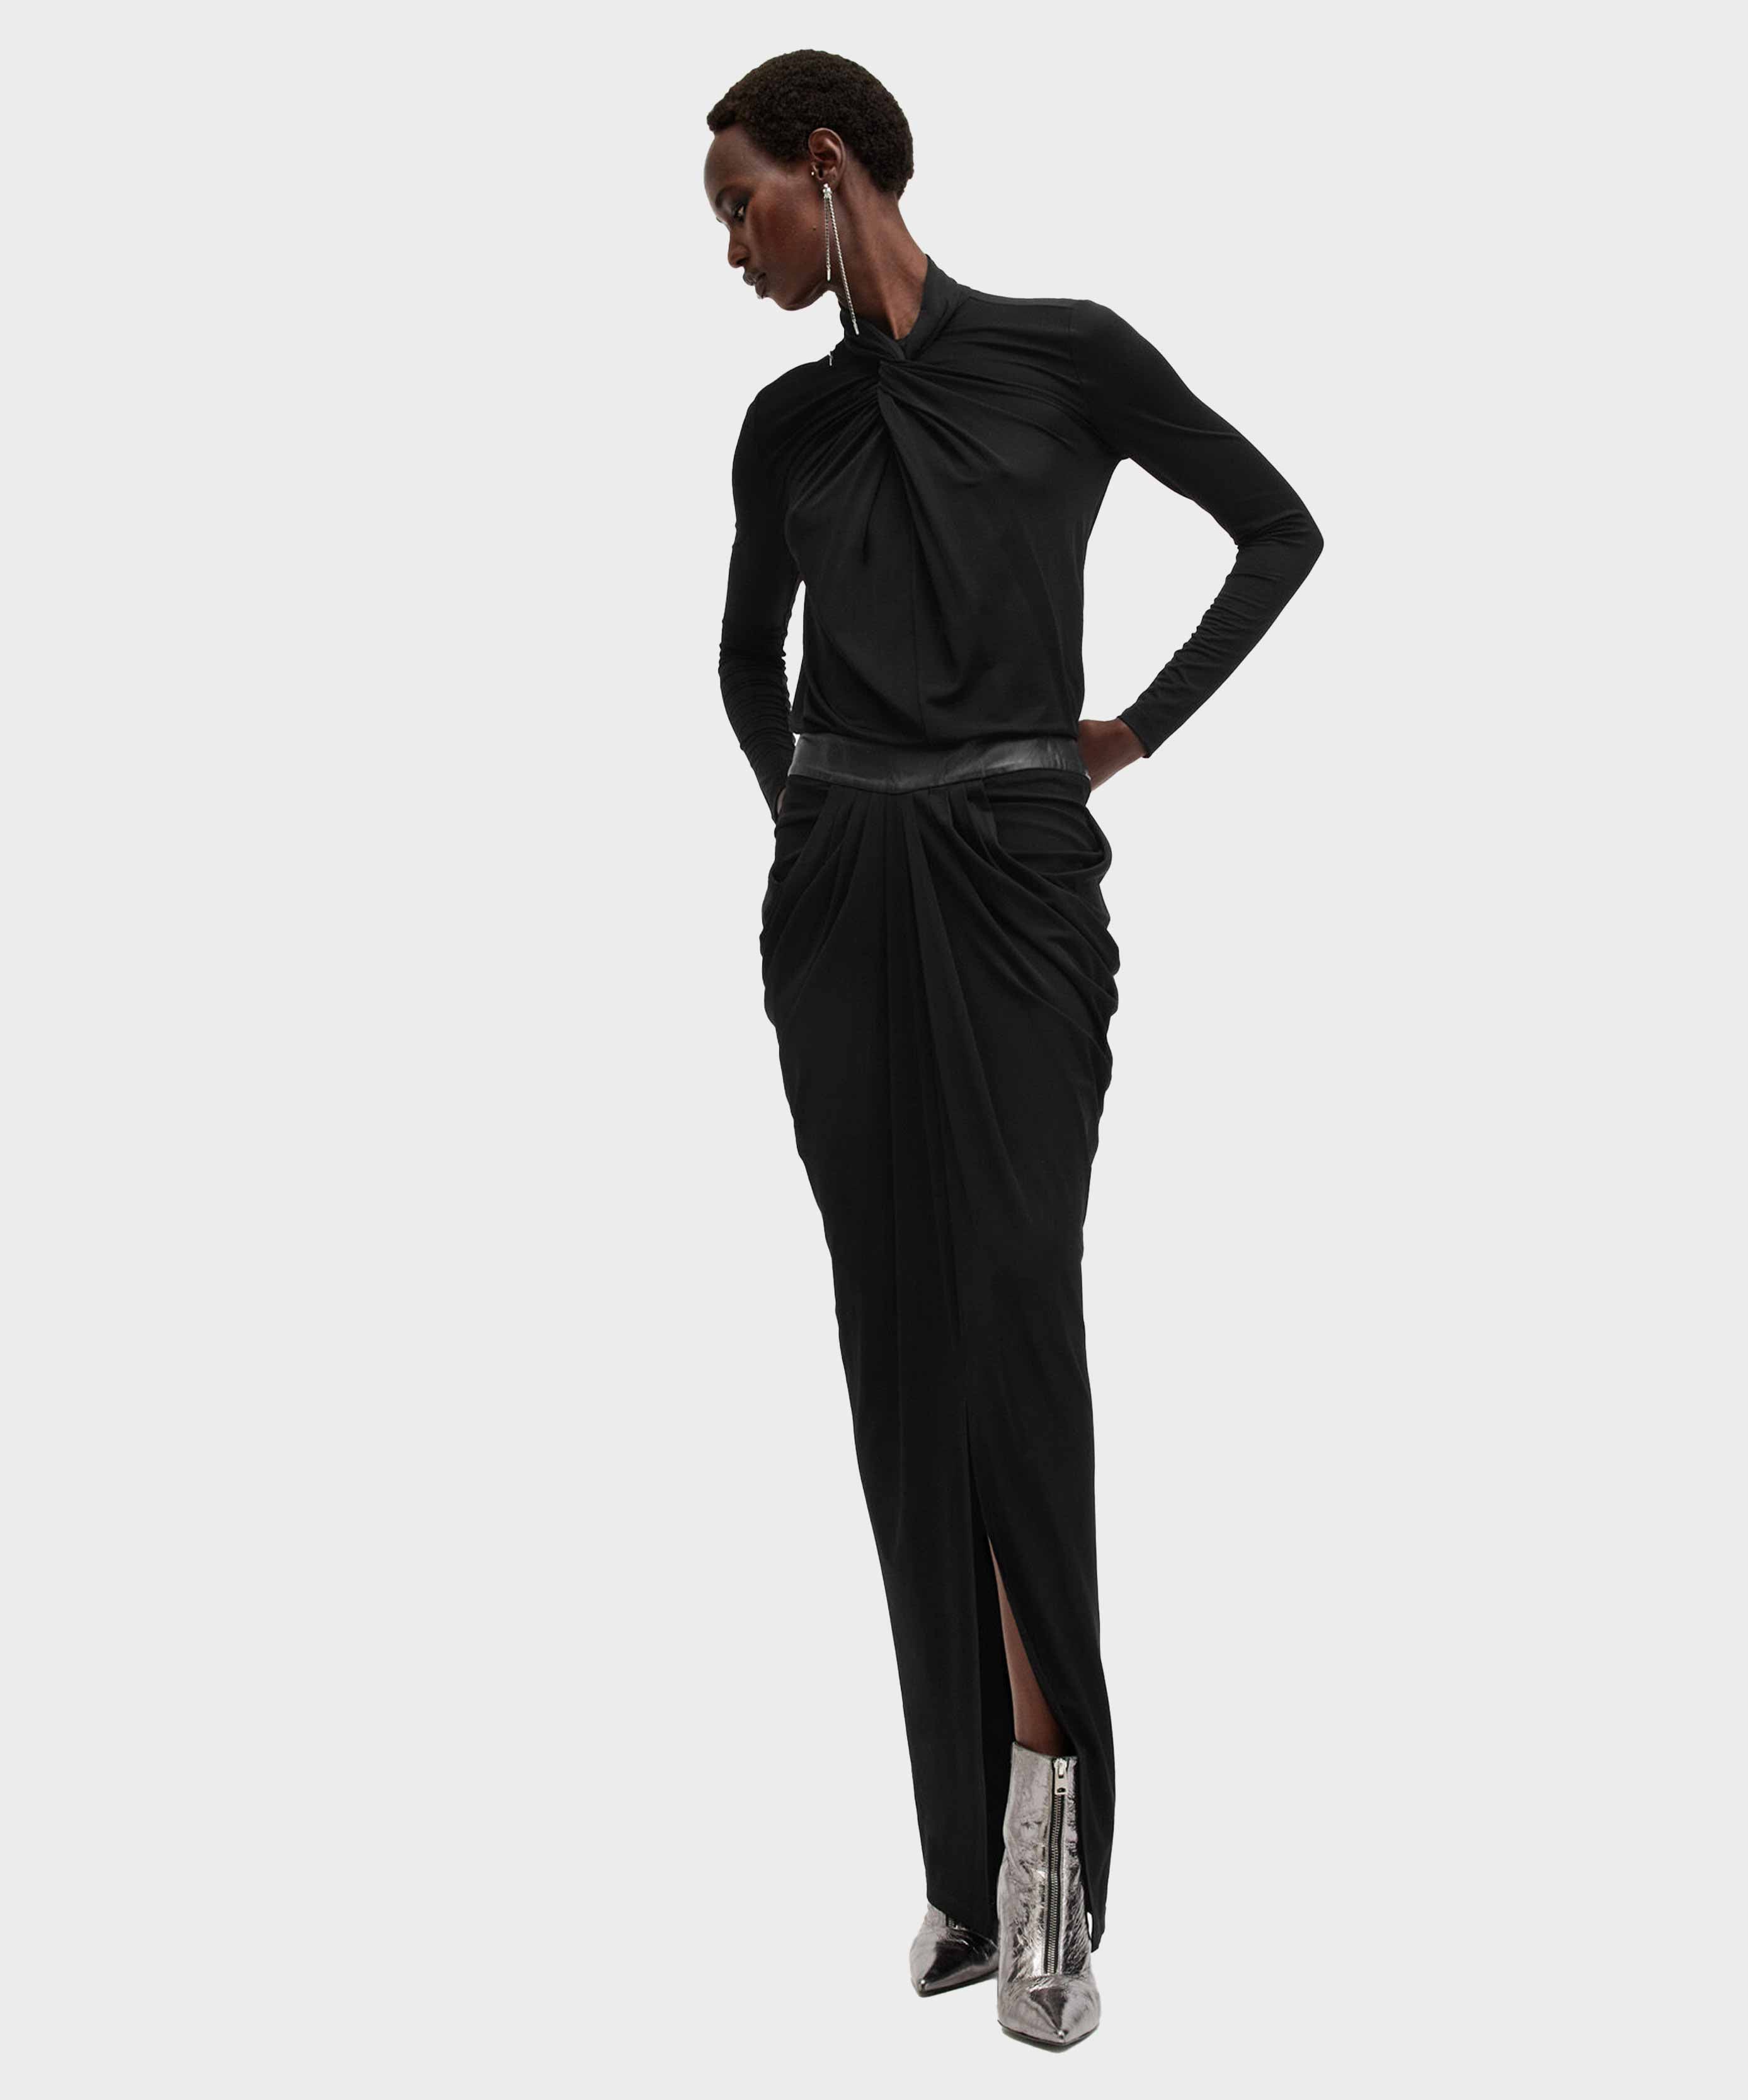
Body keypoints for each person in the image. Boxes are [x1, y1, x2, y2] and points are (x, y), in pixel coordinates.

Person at [704, 49, 1323, 2050]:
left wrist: (1125, 734)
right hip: (844, 907)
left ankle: (1054, 1872)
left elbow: (1278, 530)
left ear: (828, 166)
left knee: (1009, 1328)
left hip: (1015, 890)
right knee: (897, 1354)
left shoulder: (1066, 356)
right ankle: (964, 1880)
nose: (731, 250)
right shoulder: (787, 426)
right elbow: (741, 661)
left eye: (739, 204)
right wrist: (811, 826)